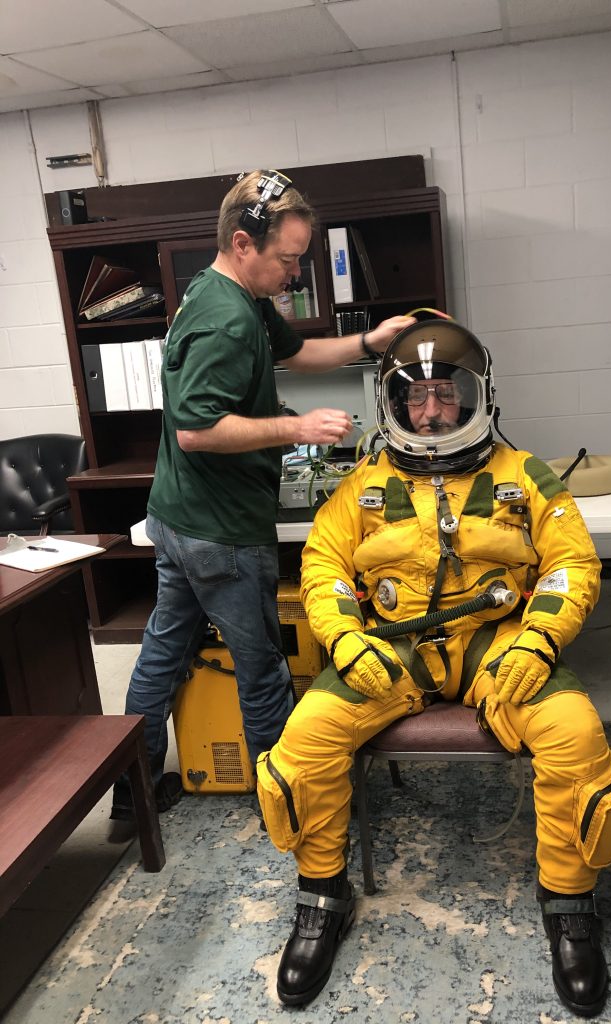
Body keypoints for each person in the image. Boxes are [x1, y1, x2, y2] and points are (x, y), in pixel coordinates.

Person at [256, 318, 611, 1018]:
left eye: (445, 395)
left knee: (577, 739)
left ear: (478, 396)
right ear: (392, 406)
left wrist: (540, 640)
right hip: (391, 650)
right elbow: (324, 566)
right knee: (303, 744)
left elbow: (572, 562)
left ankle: (570, 906)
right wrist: (343, 640)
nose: (430, 412)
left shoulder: (524, 476)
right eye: (414, 397)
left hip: (503, 647)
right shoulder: (364, 484)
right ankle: (319, 899)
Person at [110, 168, 415, 821]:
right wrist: (297, 426)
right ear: (244, 244)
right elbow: (196, 431)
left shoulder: (225, 293)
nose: (296, 274)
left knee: (163, 649)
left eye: (302, 259)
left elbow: (293, 353)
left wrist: (370, 341)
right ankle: (290, 806)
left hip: (175, 517)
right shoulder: (225, 321)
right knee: (263, 670)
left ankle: (131, 794)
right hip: (219, 532)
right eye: (288, 259)